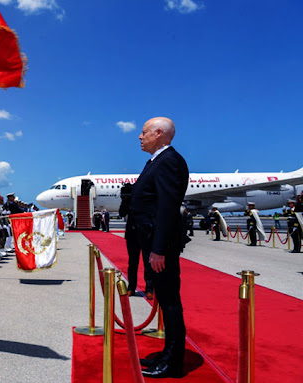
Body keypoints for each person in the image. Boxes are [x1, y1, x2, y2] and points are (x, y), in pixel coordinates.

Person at [129, 117, 189, 378]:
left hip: (159, 246)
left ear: (159, 133)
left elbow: (166, 209)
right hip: (151, 241)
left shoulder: (170, 162)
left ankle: (173, 363)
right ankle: (167, 354)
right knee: (164, 301)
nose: (140, 137)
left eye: (144, 133)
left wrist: (159, 249)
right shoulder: (157, 160)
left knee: (170, 302)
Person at [120, 182, 154, 299]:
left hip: (145, 233)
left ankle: (149, 288)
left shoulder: (145, 198)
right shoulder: (128, 200)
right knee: (132, 262)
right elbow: (121, 213)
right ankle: (131, 287)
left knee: (147, 262)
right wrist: (125, 200)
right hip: (132, 234)